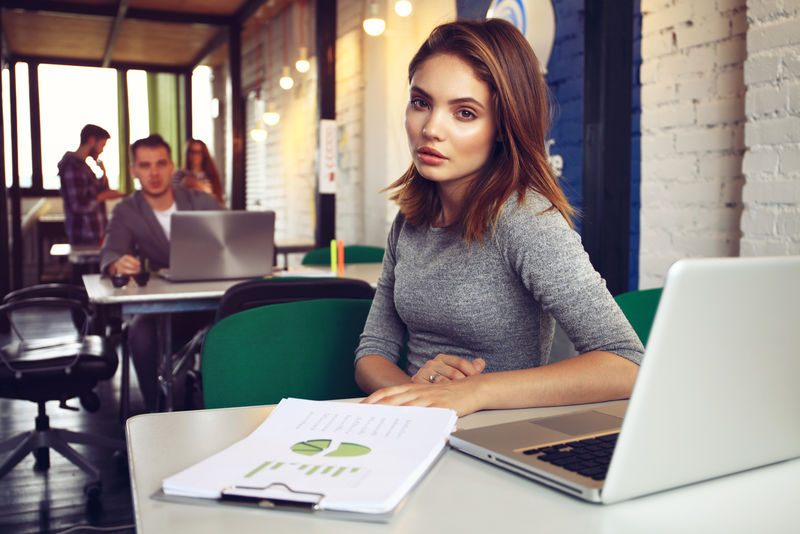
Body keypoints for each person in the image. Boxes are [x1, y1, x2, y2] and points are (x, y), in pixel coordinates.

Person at [355, 19, 645, 417]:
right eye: (421, 102)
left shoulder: (526, 219)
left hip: (496, 432)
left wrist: (475, 392)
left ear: (503, 128)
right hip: (413, 424)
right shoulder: (410, 221)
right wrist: (416, 395)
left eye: (465, 113)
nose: (431, 128)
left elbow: (627, 363)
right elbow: (372, 351)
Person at [100, 134, 222, 411]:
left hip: (213, 300)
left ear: (171, 166)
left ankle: (228, 409)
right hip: (166, 306)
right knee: (139, 332)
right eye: (145, 165)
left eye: (160, 163)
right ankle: (156, 411)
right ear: (134, 171)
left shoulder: (199, 201)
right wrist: (116, 263)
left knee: (241, 323)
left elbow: (234, 234)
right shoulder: (127, 210)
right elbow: (110, 251)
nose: (154, 173)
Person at [57, 124, 125, 245]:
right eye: (102, 145)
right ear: (92, 140)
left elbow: (98, 191)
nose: (102, 150)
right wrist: (104, 196)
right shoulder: (72, 166)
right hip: (84, 234)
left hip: (94, 233)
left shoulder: (84, 167)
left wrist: (104, 173)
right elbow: (78, 206)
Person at [171, 139, 224, 205]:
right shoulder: (179, 175)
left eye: (199, 152)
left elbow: (218, 201)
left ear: (204, 154)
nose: (195, 155)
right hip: (184, 212)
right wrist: (184, 184)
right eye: (192, 152)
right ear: (187, 153)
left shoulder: (211, 176)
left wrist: (200, 186)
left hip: (205, 212)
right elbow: (171, 199)